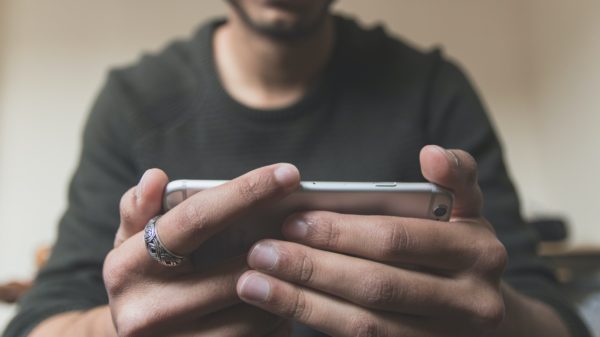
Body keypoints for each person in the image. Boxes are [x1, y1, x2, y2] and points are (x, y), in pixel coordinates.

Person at [3, 1, 591, 336]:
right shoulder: (131, 101)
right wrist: (118, 327)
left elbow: (555, 316)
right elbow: (38, 323)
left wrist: (496, 315)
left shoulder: (434, 87)